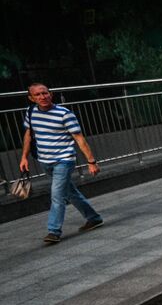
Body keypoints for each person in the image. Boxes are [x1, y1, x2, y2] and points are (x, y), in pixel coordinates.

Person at [19, 82, 103, 245]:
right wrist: (24, 157)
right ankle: (93, 218)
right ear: (31, 98)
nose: (42, 97)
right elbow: (28, 135)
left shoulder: (64, 114)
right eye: (37, 95)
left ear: (51, 94)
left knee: (57, 196)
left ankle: (54, 231)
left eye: (45, 93)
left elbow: (79, 139)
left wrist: (91, 161)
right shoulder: (30, 113)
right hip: (45, 160)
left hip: (64, 160)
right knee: (70, 192)